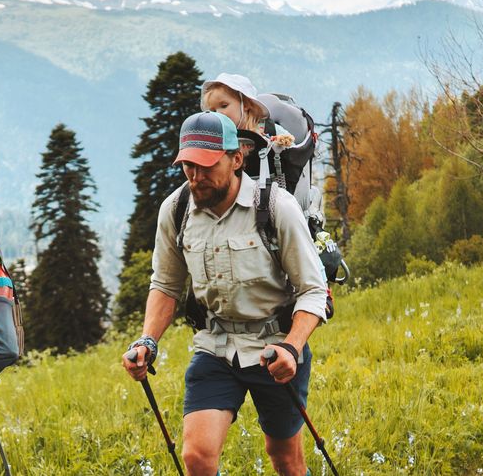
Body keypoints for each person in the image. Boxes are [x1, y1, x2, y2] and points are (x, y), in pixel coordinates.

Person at [121, 111, 330, 476]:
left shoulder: (276, 207)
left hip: (275, 349)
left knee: (285, 460)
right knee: (197, 458)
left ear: (237, 159)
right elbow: (166, 285)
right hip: (216, 347)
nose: (196, 176)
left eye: (206, 165)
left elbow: (313, 290)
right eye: (188, 165)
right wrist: (147, 341)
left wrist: (292, 348)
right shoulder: (176, 210)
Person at [200, 73, 325, 229]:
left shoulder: (265, 130)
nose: (218, 114)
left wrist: (281, 141)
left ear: (245, 105)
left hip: (272, 195)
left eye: (224, 106)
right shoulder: (217, 138)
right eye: (212, 110)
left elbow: (287, 139)